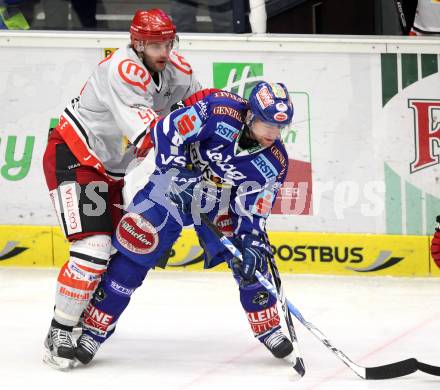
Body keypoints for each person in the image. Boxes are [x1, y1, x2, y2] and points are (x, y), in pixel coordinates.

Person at [72, 81, 295, 366]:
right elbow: (166, 130)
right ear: (250, 115)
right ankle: (95, 328)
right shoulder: (219, 112)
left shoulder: (274, 162)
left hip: (217, 201)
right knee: (136, 247)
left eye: (280, 128)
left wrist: (251, 239)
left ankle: (269, 327)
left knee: (251, 261)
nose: (273, 134)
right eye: (267, 125)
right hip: (171, 185)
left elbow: (254, 208)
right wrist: (175, 170)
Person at [42, 8, 214, 370]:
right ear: (136, 43)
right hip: (76, 155)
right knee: (94, 248)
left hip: (114, 170)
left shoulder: (177, 70)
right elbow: (150, 134)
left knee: (121, 250)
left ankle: (85, 317)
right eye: (154, 44)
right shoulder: (123, 70)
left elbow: (201, 110)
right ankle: (58, 330)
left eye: (168, 42)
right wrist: (190, 157)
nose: (163, 50)